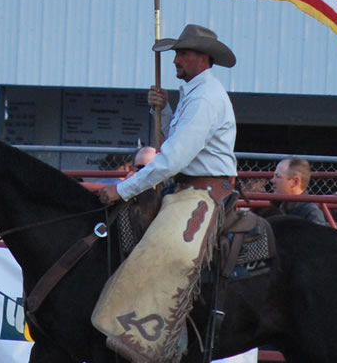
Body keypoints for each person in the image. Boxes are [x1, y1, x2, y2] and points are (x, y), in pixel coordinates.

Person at [92, 24, 239, 362]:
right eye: (175, 53)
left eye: (183, 53)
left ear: (203, 57)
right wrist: (164, 109)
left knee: (162, 249)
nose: (175, 60)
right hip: (189, 187)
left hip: (203, 193)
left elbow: (172, 158)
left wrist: (122, 190)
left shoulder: (205, 97)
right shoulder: (197, 93)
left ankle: (170, 339)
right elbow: (177, 141)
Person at [255, 157, 328, 226]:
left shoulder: (311, 213)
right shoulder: (276, 208)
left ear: (295, 182)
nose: (272, 180)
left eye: (278, 176)